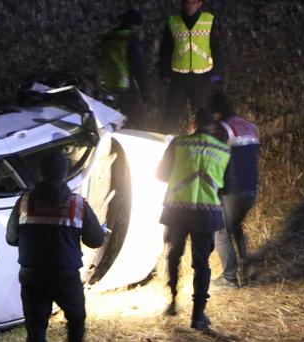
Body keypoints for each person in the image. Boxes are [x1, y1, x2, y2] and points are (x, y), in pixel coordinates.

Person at [6, 152, 105, 342]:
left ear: (40, 172)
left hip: (32, 275)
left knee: (36, 331)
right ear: (65, 174)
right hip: (65, 276)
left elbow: (11, 238)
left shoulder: (24, 202)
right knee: (76, 319)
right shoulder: (78, 204)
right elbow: (95, 240)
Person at [157, 108, 231, 331]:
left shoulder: (178, 144)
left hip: (177, 210)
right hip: (206, 213)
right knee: (201, 263)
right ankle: (198, 316)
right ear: (213, 125)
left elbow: (160, 174)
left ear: (193, 123)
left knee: (174, 254)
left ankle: (172, 300)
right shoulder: (224, 151)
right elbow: (228, 186)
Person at [207, 91, 260, 288]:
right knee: (235, 226)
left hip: (233, 188)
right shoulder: (248, 125)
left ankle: (229, 278)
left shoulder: (222, 128)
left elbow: (216, 160)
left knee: (220, 231)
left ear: (215, 111)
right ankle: (248, 267)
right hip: (251, 188)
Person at [159, 0, 225, 133]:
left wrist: (216, 71)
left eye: (193, 3)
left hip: (202, 76)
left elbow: (216, 47)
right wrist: (164, 73)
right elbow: (165, 49)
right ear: (183, 3)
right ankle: (166, 146)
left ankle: (200, 146)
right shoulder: (173, 21)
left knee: (203, 116)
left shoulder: (209, 21)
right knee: (171, 115)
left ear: (200, 4)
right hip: (178, 77)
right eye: (188, 3)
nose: (190, 6)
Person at [98, 8, 149, 128]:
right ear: (136, 25)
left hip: (108, 86)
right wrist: (145, 90)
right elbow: (138, 66)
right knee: (137, 122)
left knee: (113, 121)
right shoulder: (130, 39)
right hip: (126, 86)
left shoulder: (107, 38)